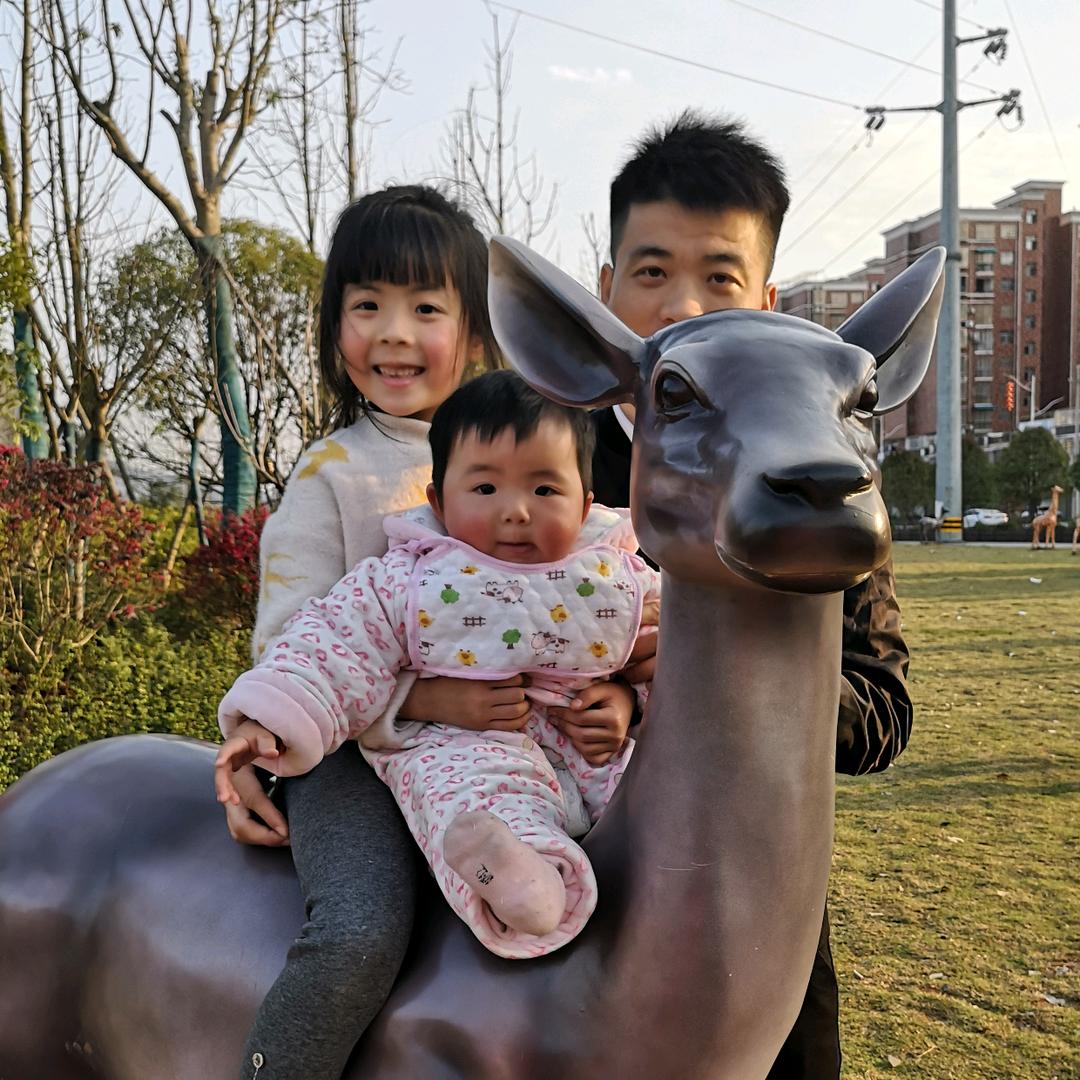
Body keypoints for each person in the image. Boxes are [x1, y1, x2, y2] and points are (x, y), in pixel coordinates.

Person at [220, 186, 640, 1080]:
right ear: (335, 324)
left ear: (478, 333)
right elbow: (296, 642)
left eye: (426, 307)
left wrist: (619, 697)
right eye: (366, 304)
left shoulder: (539, 449)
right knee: (361, 930)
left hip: (517, 750)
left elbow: (601, 609)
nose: (394, 333)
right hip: (353, 753)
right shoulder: (332, 474)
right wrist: (424, 699)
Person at [590, 111, 914, 1080]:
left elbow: (885, 712)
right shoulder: (532, 469)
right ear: (603, 291)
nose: (684, 302)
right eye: (651, 272)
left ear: (767, 298)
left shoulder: (821, 486)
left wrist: (753, 687)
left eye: (720, 276)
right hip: (565, 897)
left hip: (756, 930)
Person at [217, 371, 658, 960]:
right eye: (485, 489)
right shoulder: (410, 579)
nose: (516, 512)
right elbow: (331, 646)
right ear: (437, 500)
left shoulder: (617, 577)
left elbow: (682, 660)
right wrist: (263, 721)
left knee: (654, 799)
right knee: (475, 799)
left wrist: (630, 701)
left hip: (586, 744)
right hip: (464, 745)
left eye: (545, 491)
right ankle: (522, 881)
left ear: (586, 503)